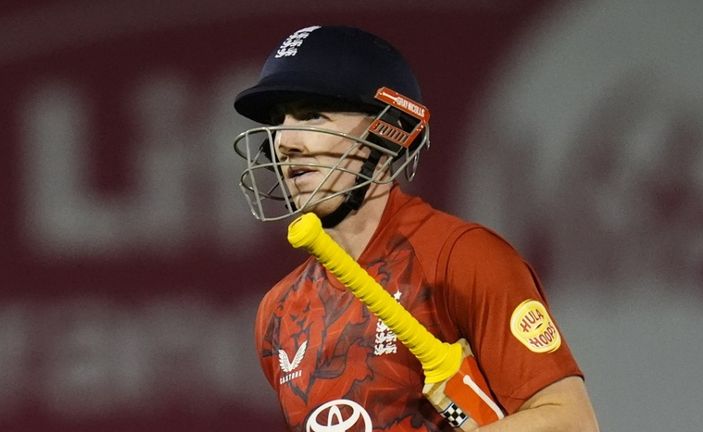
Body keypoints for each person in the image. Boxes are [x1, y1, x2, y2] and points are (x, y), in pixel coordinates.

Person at [232, 25, 599, 431]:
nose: (285, 140)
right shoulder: (279, 313)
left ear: (387, 133)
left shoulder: (463, 258)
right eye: (277, 120)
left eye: (312, 114)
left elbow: (572, 423)